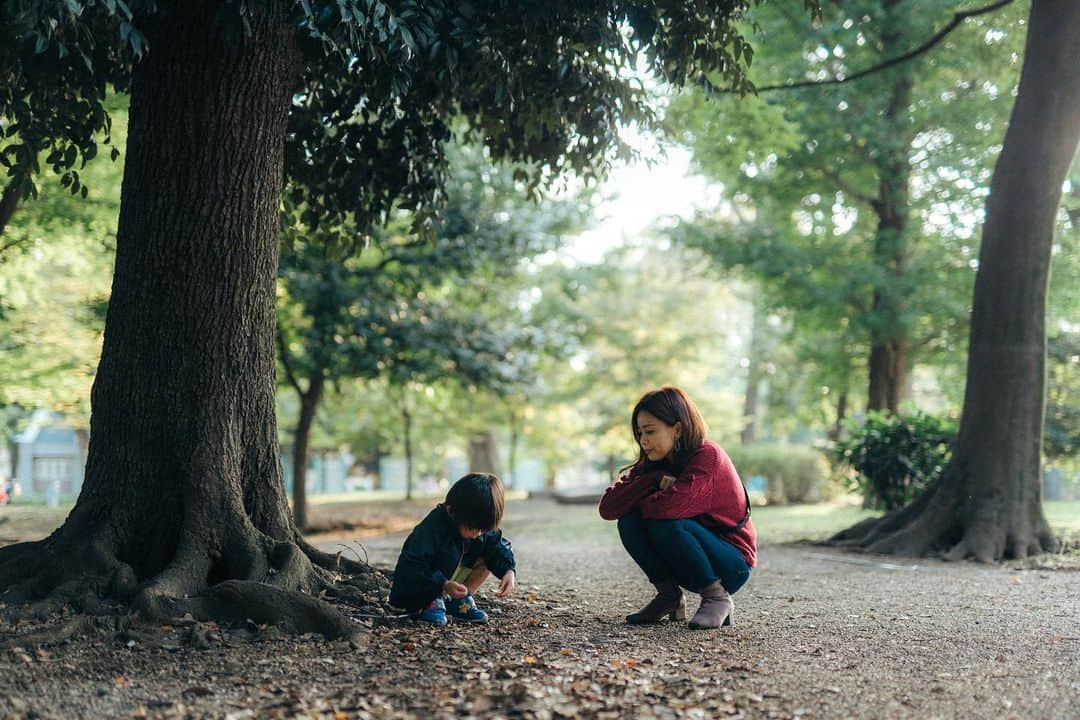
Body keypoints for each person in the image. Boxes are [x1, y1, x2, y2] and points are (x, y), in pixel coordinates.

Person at [598, 386, 756, 629]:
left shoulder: (708, 456)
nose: (643, 440)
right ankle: (668, 597)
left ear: (678, 429)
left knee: (664, 519)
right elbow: (609, 509)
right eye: (640, 433)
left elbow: (666, 510)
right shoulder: (655, 464)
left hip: (731, 563)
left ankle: (717, 598)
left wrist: (650, 494)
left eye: (650, 431)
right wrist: (653, 480)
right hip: (689, 557)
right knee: (629, 521)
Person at [389, 473, 517, 625]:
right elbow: (415, 565)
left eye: (483, 529)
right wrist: (442, 584)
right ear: (451, 511)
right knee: (438, 560)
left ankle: (458, 600)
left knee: (489, 554)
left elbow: (497, 546)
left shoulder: (479, 527)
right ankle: (430, 603)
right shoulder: (432, 528)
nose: (478, 534)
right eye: (473, 528)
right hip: (419, 590)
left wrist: (508, 570)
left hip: (450, 586)